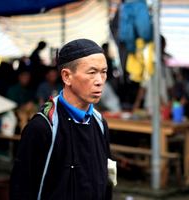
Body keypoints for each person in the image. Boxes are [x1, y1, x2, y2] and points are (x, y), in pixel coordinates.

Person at [10, 39, 114, 200]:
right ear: (67, 76)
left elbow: (107, 181)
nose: (100, 81)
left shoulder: (100, 123)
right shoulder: (43, 127)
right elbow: (21, 190)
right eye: (92, 72)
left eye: (104, 72)